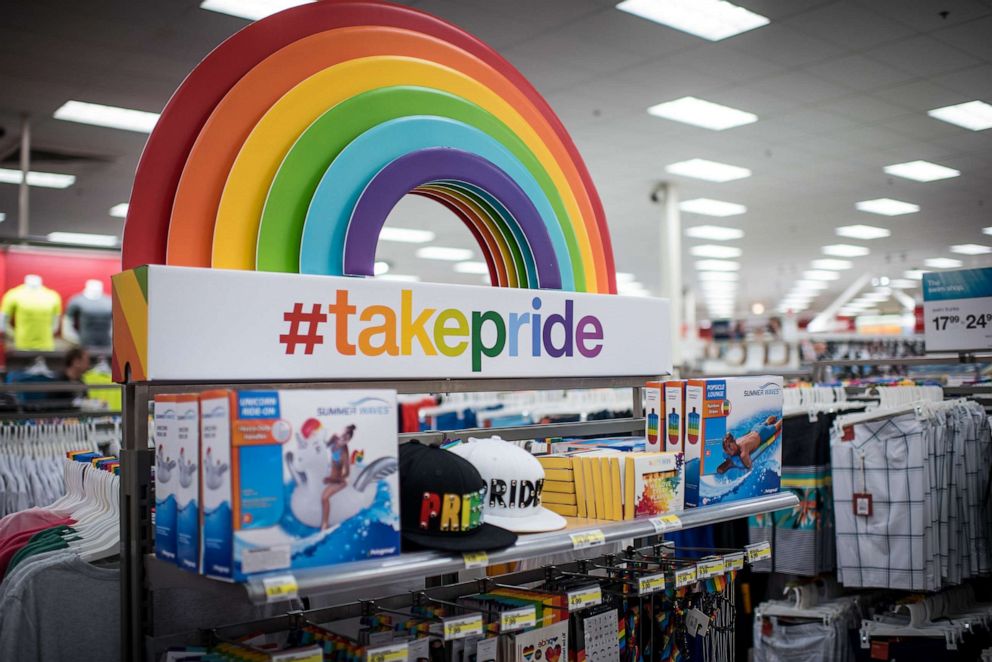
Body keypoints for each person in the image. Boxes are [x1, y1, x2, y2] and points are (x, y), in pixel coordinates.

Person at [320, 424, 356, 530]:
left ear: (348, 441)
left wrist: (332, 479)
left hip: (338, 481)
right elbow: (324, 447)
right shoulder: (334, 438)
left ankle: (324, 525)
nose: (343, 438)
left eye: (346, 438)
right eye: (343, 434)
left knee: (324, 498)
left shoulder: (344, 452)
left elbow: (347, 473)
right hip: (330, 477)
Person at [717, 415, 781, 473]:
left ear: (734, 442)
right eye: (727, 450)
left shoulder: (743, 453)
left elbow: (749, 467)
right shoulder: (737, 440)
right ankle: (775, 417)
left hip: (762, 433)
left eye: (729, 447)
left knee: (777, 426)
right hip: (755, 428)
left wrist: (747, 467)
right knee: (766, 422)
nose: (728, 451)